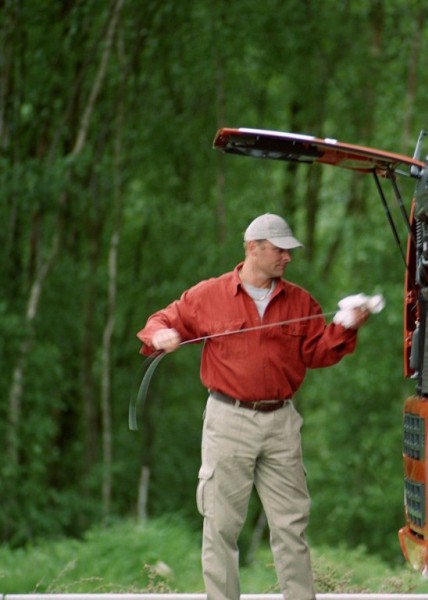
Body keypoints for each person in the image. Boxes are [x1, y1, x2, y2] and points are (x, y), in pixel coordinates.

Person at [137, 213, 372, 600]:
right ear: (253, 248)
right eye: (280, 250)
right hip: (228, 420)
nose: (287, 258)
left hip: (282, 422)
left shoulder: (300, 301)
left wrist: (346, 327)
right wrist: (160, 334)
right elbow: (162, 319)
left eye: (288, 251)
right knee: (221, 526)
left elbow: (316, 353)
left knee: (291, 526)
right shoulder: (208, 295)